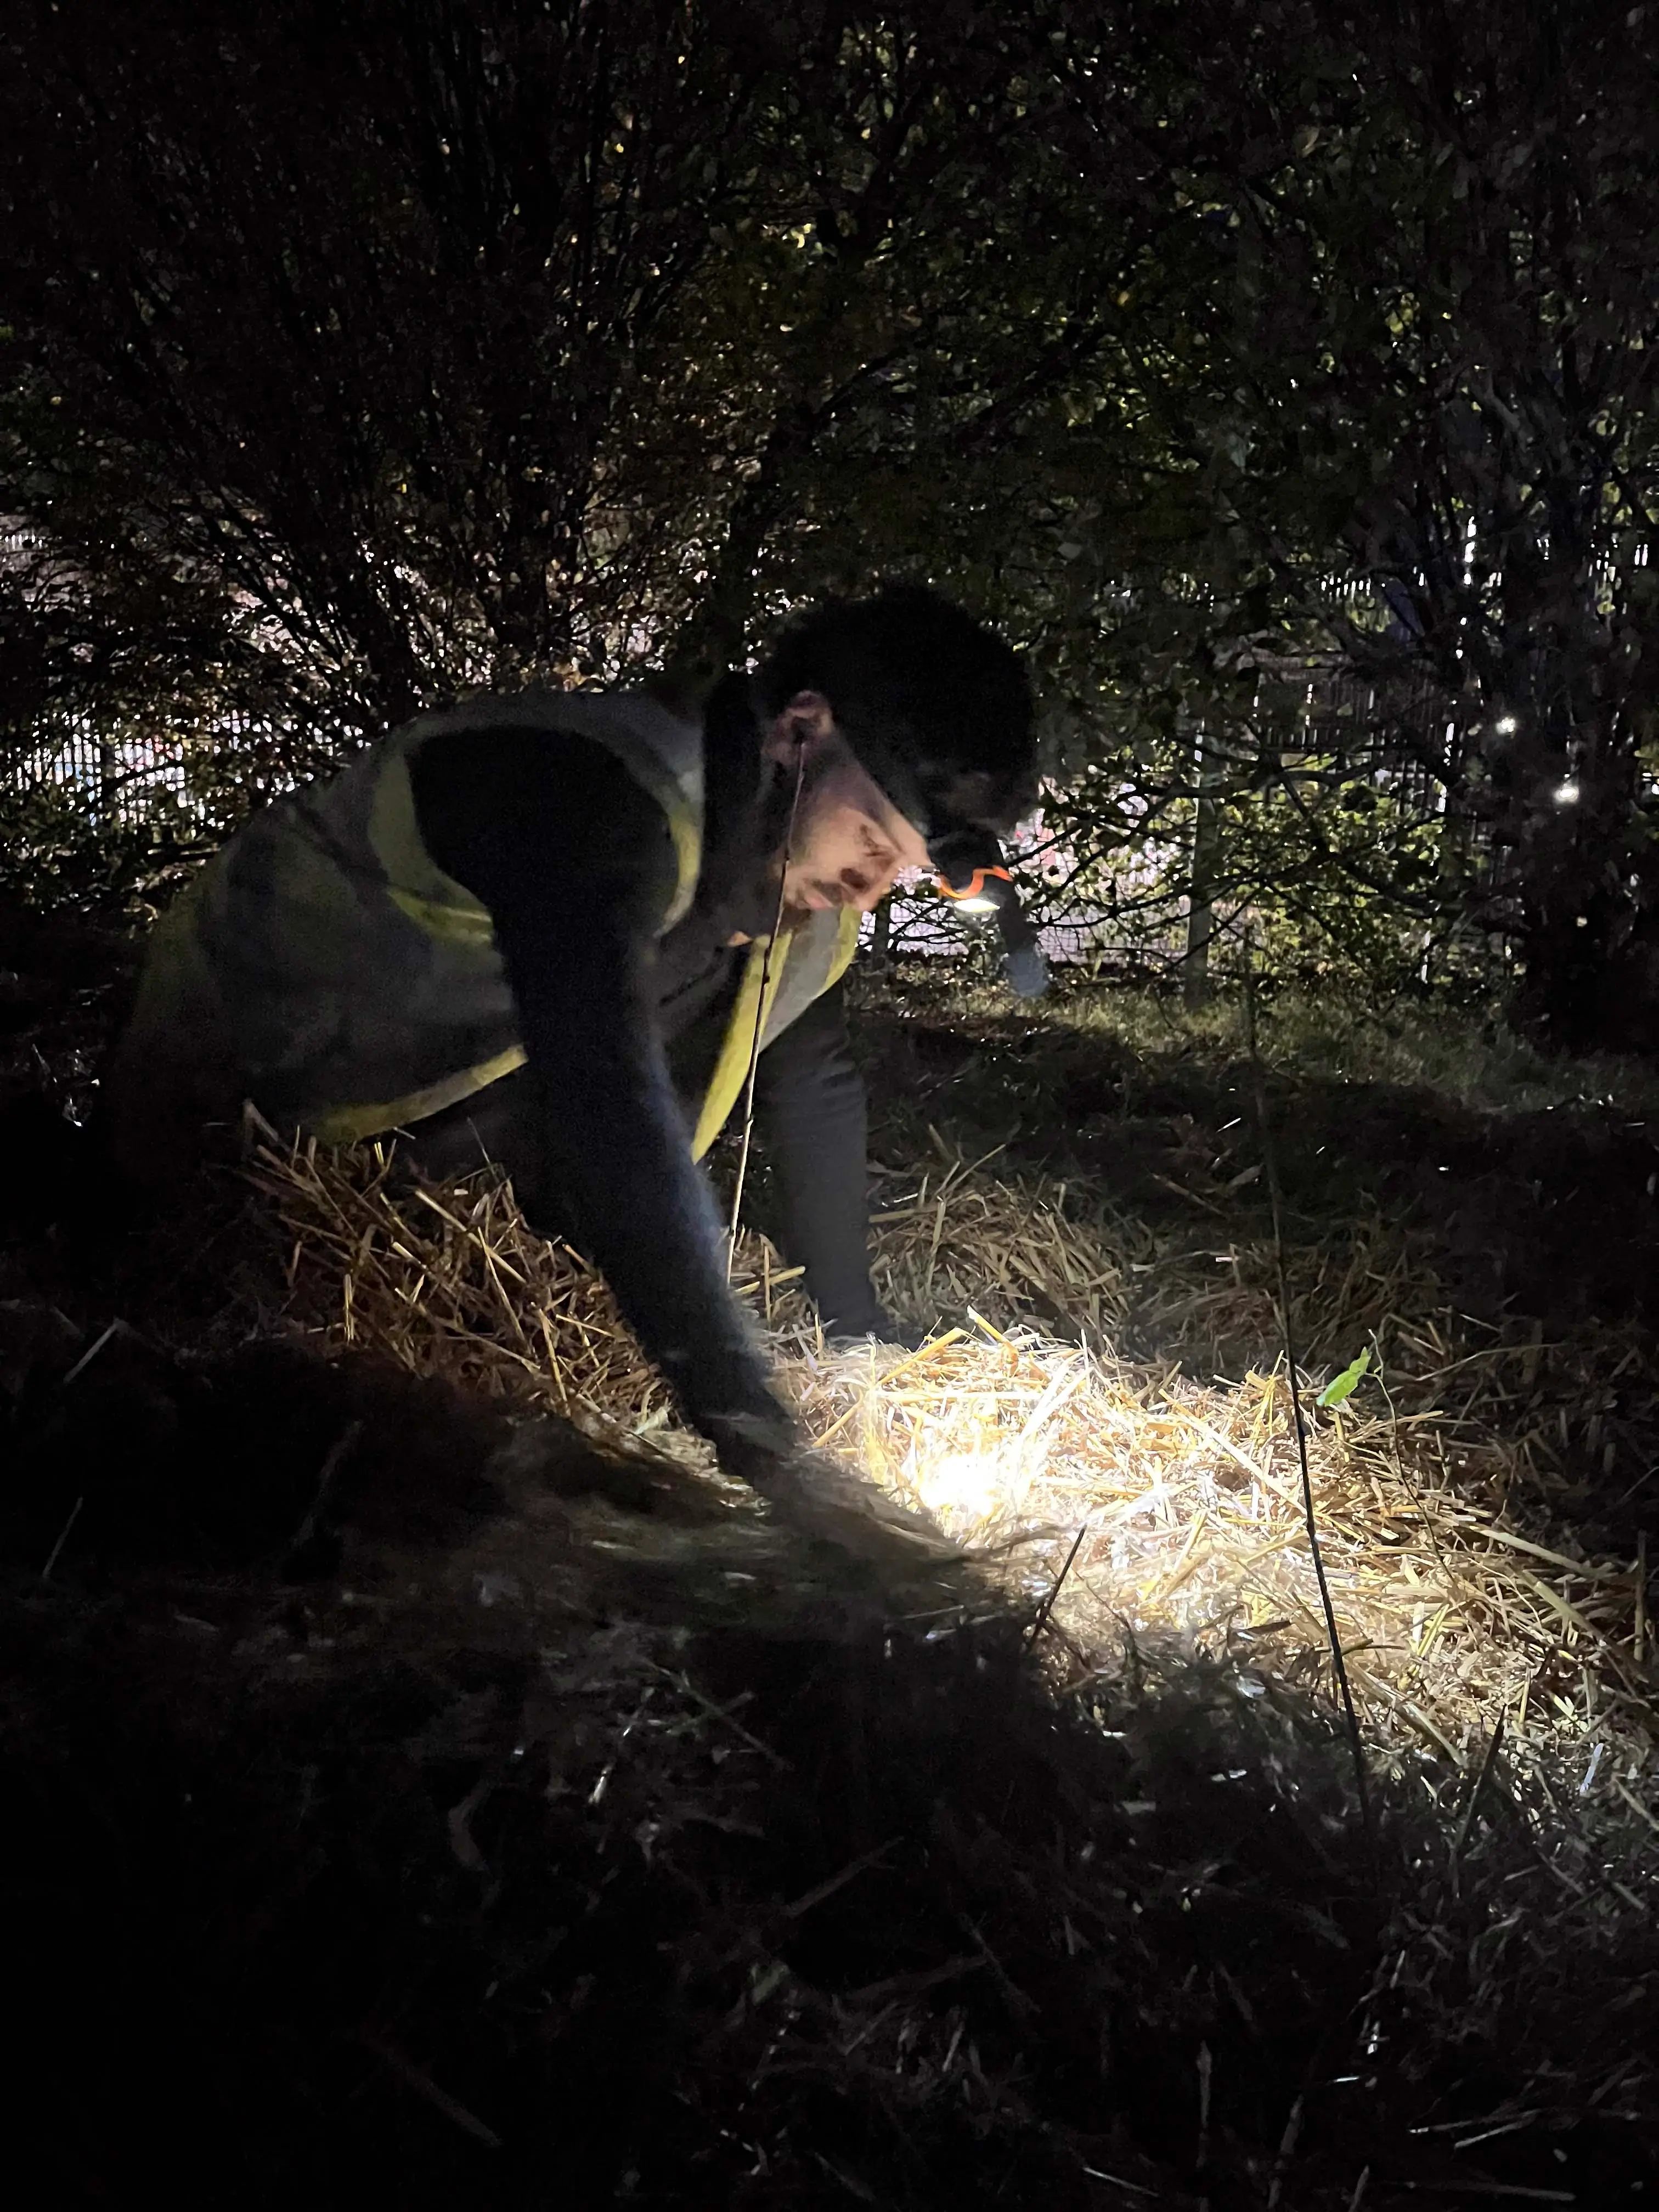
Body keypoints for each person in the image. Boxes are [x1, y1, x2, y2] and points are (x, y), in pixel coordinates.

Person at [104, 585, 1037, 1491]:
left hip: (439, 1131)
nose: (871, 890)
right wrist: (758, 1439)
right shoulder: (597, 795)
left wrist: (855, 1329)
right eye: (875, 841)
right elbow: (606, 1104)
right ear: (800, 731)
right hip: (250, 1110)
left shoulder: (797, 877)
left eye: (903, 875)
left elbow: (812, 1071)